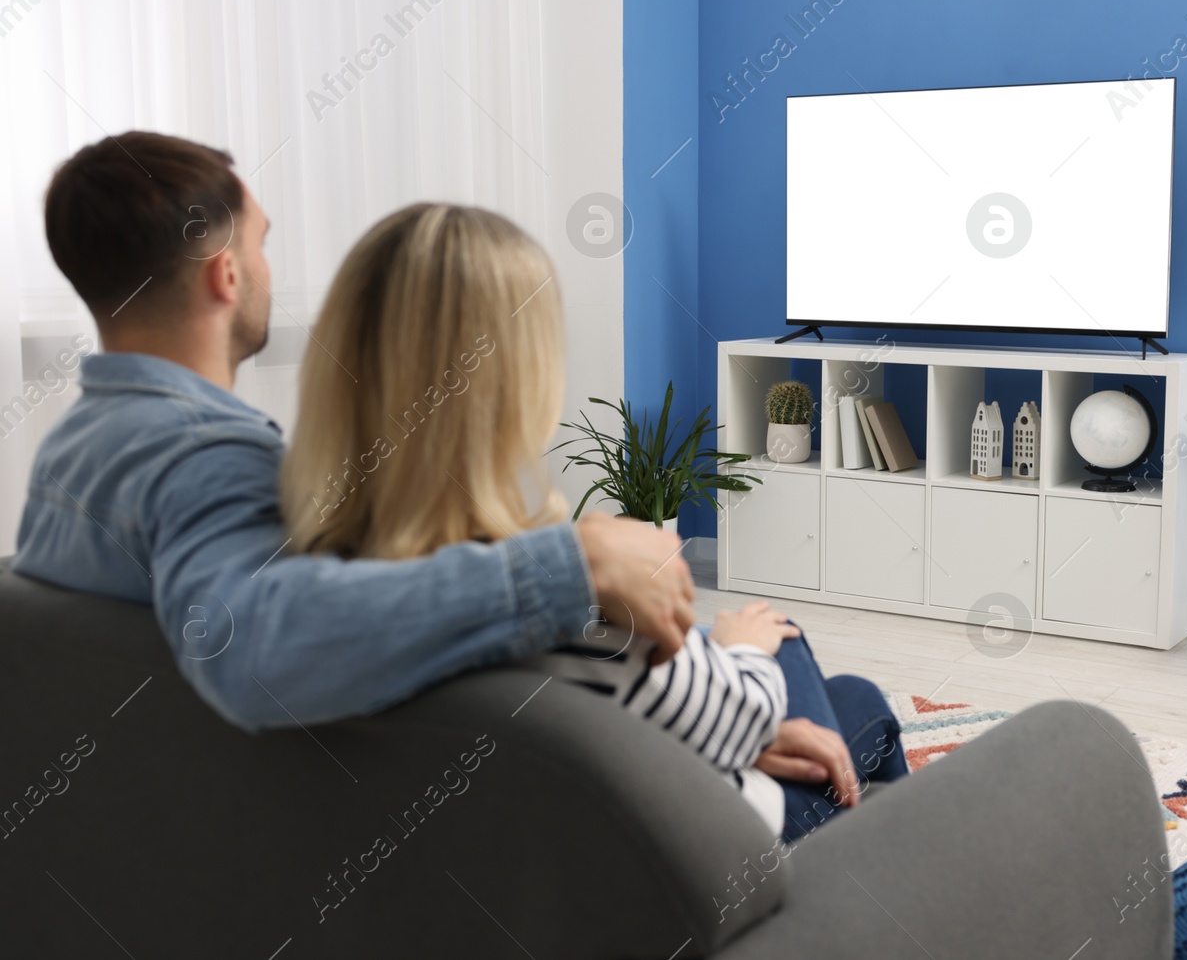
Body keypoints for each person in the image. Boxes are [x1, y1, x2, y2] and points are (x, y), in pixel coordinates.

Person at [10, 131, 691, 730]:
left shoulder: (71, 453)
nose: (268, 270)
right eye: (262, 243)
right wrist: (571, 564)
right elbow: (248, 649)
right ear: (226, 272)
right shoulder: (208, 461)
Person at [279, 201, 906, 840]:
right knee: (814, 663)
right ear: (520, 381)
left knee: (832, 691)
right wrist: (736, 648)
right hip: (717, 856)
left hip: (532, 856)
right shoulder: (578, 599)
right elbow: (735, 715)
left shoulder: (304, 594)